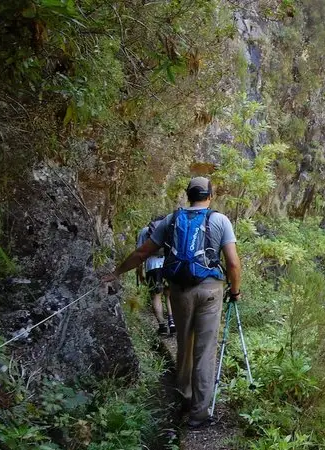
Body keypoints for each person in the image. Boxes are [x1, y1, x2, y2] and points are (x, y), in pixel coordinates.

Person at [102, 177, 242, 428]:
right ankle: (199, 414)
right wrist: (235, 291)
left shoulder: (170, 220)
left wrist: (116, 272)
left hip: (179, 292)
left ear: (188, 195)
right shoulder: (220, 220)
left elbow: (142, 253)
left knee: (183, 344)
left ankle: (184, 398)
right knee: (205, 351)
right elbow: (232, 262)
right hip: (210, 290)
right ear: (210, 195)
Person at [136, 215, 176, 335]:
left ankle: (162, 326)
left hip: (153, 266)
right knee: (169, 295)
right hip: (169, 264)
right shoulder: (170, 229)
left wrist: (140, 273)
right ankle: (172, 322)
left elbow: (139, 255)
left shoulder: (144, 231)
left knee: (156, 296)